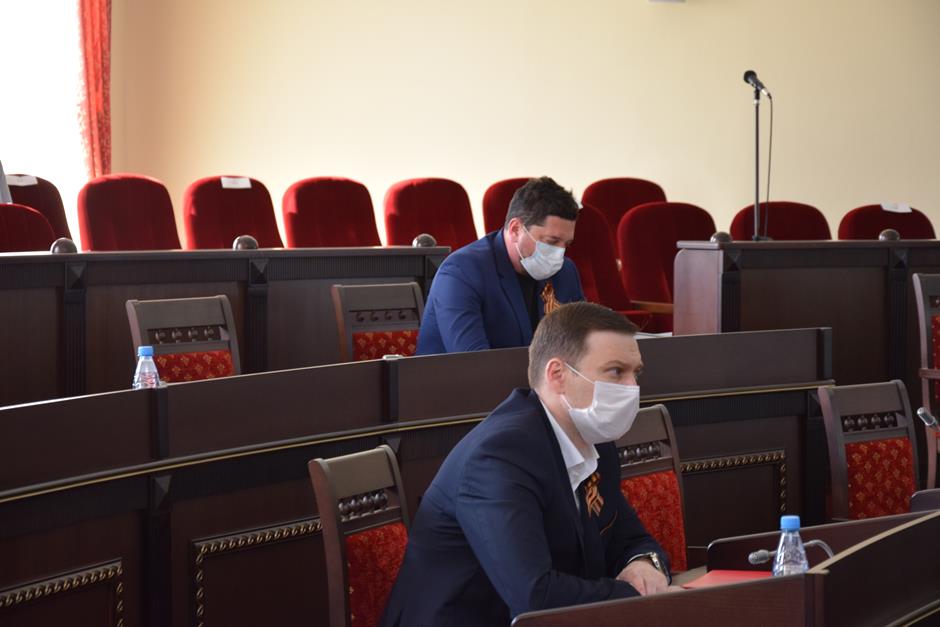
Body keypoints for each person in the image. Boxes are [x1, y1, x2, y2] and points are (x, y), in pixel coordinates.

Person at [382, 302, 671, 626]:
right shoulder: (500, 457)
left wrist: (644, 564)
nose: (632, 388)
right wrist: (634, 595)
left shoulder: (598, 443)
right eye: (616, 372)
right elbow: (535, 597)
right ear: (558, 375)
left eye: (636, 373)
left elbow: (630, 539)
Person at [415, 176, 585, 355]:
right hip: (462, 374)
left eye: (566, 244)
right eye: (552, 241)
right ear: (515, 229)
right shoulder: (461, 272)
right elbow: (473, 361)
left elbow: (583, 344)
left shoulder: (565, 271)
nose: (559, 253)